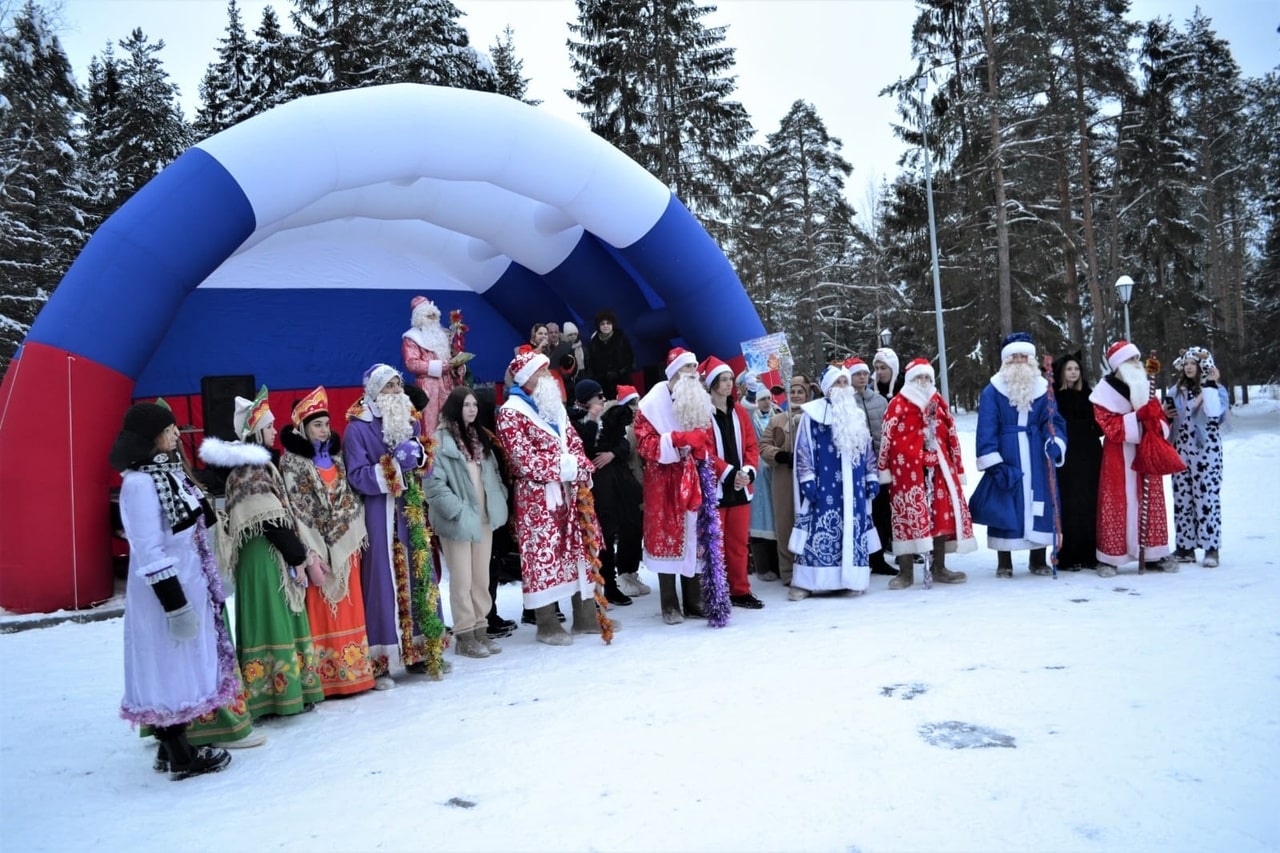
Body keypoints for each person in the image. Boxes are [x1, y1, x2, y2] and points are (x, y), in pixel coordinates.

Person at [112, 403, 235, 780]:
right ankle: (180, 754)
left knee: (178, 663)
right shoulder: (138, 483)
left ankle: (173, 747)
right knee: (165, 665)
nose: (176, 434)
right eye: (169, 429)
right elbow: (149, 548)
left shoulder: (165, 472)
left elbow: (195, 520)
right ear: (150, 437)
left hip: (188, 581)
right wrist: (175, 603)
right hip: (165, 592)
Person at [199, 387, 325, 720]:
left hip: (267, 554)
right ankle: (275, 695)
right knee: (272, 619)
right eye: (269, 427)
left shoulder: (257, 467)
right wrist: (298, 556)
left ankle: (286, 691)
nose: (274, 431)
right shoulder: (250, 470)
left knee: (277, 618)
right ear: (256, 431)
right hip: (264, 556)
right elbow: (270, 521)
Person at [496, 349, 613, 646]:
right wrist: (567, 467)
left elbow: (573, 442)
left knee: (579, 550)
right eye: (543, 372)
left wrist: (581, 466)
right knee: (544, 557)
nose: (549, 377)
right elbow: (522, 460)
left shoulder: (553, 408)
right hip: (538, 498)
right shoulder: (511, 413)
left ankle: (586, 616)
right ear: (528, 378)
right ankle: (547, 623)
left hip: (570, 490)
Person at [344, 364, 442, 686]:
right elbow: (357, 476)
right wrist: (392, 467)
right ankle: (381, 661)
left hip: (410, 509)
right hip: (379, 513)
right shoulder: (357, 429)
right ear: (374, 391)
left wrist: (420, 458)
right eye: (388, 386)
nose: (397, 391)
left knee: (420, 575)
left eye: (399, 385)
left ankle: (421, 652)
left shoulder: (409, 419)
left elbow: (424, 459)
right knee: (381, 582)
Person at [278, 387, 375, 697]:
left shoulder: (337, 457)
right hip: (315, 547)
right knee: (322, 611)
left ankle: (355, 674)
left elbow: (350, 497)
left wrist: (341, 529)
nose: (323, 430)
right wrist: (311, 550)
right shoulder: (292, 463)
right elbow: (298, 508)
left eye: (325, 423)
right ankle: (325, 678)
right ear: (303, 428)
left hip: (345, 544)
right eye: (316, 424)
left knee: (349, 605)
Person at [634, 348, 728, 624]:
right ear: (674, 373)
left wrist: (703, 455)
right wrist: (674, 440)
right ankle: (669, 603)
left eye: (695, 371)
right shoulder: (650, 405)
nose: (693, 376)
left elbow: (707, 441)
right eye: (688, 371)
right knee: (667, 539)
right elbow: (645, 445)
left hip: (696, 479)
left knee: (696, 539)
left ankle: (694, 599)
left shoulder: (700, 402)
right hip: (664, 483)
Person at [970, 333, 1067, 578]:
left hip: (1036, 455)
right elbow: (986, 427)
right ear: (1006, 360)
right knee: (1006, 505)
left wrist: (1054, 441)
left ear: (1032, 359)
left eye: (1024, 355)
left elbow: (1051, 419)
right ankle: (1004, 561)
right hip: (1007, 454)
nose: (1020, 360)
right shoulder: (992, 390)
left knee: (1040, 503)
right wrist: (992, 460)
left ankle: (1038, 559)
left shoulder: (1044, 388)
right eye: (1014, 356)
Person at [423, 386, 510, 658]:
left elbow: (494, 474)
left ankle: (481, 630)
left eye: (474, 405)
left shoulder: (479, 437)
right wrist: (457, 511)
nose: (472, 409)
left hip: (484, 519)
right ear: (454, 408)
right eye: (466, 405)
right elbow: (433, 486)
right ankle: (464, 635)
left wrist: (499, 499)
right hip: (458, 521)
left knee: (481, 579)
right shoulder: (439, 441)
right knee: (461, 580)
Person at [878, 358, 976, 587]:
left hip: (939, 469)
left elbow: (950, 432)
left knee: (939, 514)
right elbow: (890, 440)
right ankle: (905, 572)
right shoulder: (898, 404)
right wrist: (919, 457)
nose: (923, 382)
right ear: (910, 380)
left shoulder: (937, 401)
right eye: (918, 378)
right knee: (908, 518)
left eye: (927, 378)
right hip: (907, 473)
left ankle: (938, 567)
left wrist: (952, 462)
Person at [1090, 341, 1184, 576]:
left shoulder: (1145, 387)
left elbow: (1160, 424)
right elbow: (1110, 428)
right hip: (1118, 457)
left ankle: (1154, 554)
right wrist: (1137, 418)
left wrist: (1156, 419)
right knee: (1117, 503)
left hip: (1146, 452)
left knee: (1150, 501)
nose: (1137, 364)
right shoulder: (1103, 392)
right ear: (1118, 365)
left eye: (1137, 359)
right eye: (1131, 360)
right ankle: (1111, 557)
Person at [788, 365, 880, 600]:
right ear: (828, 387)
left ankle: (851, 580)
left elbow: (866, 448)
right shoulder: (813, 414)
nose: (843, 387)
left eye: (845, 382)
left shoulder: (856, 415)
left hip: (855, 489)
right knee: (817, 529)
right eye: (838, 383)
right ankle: (807, 582)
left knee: (852, 530)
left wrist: (871, 475)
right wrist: (807, 479)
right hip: (826, 486)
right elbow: (804, 449)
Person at [569, 379, 640, 607]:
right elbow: (583, 447)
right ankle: (595, 587)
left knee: (611, 532)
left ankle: (610, 584)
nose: (602, 399)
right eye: (597, 395)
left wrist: (611, 453)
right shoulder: (573, 419)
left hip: (611, 482)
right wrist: (591, 419)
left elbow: (624, 443)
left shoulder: (608, 416)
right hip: (589, 486)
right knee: (595, 536)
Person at [703, 356, 765, 610]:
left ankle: (740, 590)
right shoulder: (703, 413)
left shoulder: (739, 410)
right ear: (712, 383)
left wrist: (748, 471)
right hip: (716, 489)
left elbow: (751, 444)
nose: (729, 384)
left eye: (730, 379)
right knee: (715, 544)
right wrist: (729, 473)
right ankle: (717, 590)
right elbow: (704, 451)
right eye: (724, 380)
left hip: (741, 488)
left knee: (739, 542)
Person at [1166, 346, 1228, 567]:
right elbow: (1169, 421)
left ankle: (1211, 548)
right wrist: (1166, 414)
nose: (1189, 367)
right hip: (1181, 451)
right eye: (1186, 364)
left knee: (1207, 498)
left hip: (1206, 452)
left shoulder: (1216, 390)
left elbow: (1214, 413)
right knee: (1182, 499)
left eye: (1193, 363)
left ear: (1202, 366)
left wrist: (1210, 384)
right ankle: (1185, 547)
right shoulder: (1175, 392)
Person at [1051, 350, 1102, 570]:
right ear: (1062, 372)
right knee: (1069, 502)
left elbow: (1099, 422)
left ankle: (1090, 553)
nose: (1073, 372)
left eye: (1076, 369)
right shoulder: (1053, 396)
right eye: (1069, 369)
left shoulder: (1090, 394)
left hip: (1089, 452)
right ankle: (1068, 554)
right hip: (1067, 454)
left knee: (1089, 501)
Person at [759, 375, 811, 586]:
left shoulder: (814, 416)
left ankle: (811, 567)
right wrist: (779, 455)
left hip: (809, 478)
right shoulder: (777, 419)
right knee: (785, 523)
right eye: (793, 392)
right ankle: (788, 571)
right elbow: (763, 445)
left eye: (800, 392)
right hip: (784, 478)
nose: (796, 395)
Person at [846, 357, 893, 575]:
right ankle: (861, 555)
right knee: (863, 512)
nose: (862, 377)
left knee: (882, 512)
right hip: (858, 467)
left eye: (865, 373)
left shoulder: (880, 401)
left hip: (881, 465)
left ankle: (879, 556)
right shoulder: (846, 401)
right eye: (857, 374)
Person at [402, 295, 457, 437]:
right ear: (419, 317)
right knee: (430, 424)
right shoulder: (412, 337)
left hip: (446, 385)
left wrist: (456, 366)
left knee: (449, 421)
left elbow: (448, 359)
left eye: (434, 315)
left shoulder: (441, 335)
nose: (433, 317)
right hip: (428, 386)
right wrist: (439, 367)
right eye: (429, 315)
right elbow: (412, 363)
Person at [747, 383, 781, 582]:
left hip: (776, 468)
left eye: (767, 398)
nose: (766, 402)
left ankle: (778, 564)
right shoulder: (753, 419)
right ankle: (762, 566)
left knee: (777, 515)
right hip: (760, 472)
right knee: (761, 515)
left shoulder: (779, 414)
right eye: (762, 399)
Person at [585, 309, 635, 399]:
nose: (606, 326)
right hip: (603, 385)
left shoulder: (621, 338)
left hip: (622, 383)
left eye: (608, 323)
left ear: (613, 324)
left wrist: (619, 373)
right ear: (598, 326)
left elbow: (630, 360)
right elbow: (592, 363)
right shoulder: (594, 342)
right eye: (602, 324)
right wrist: (601, 376)